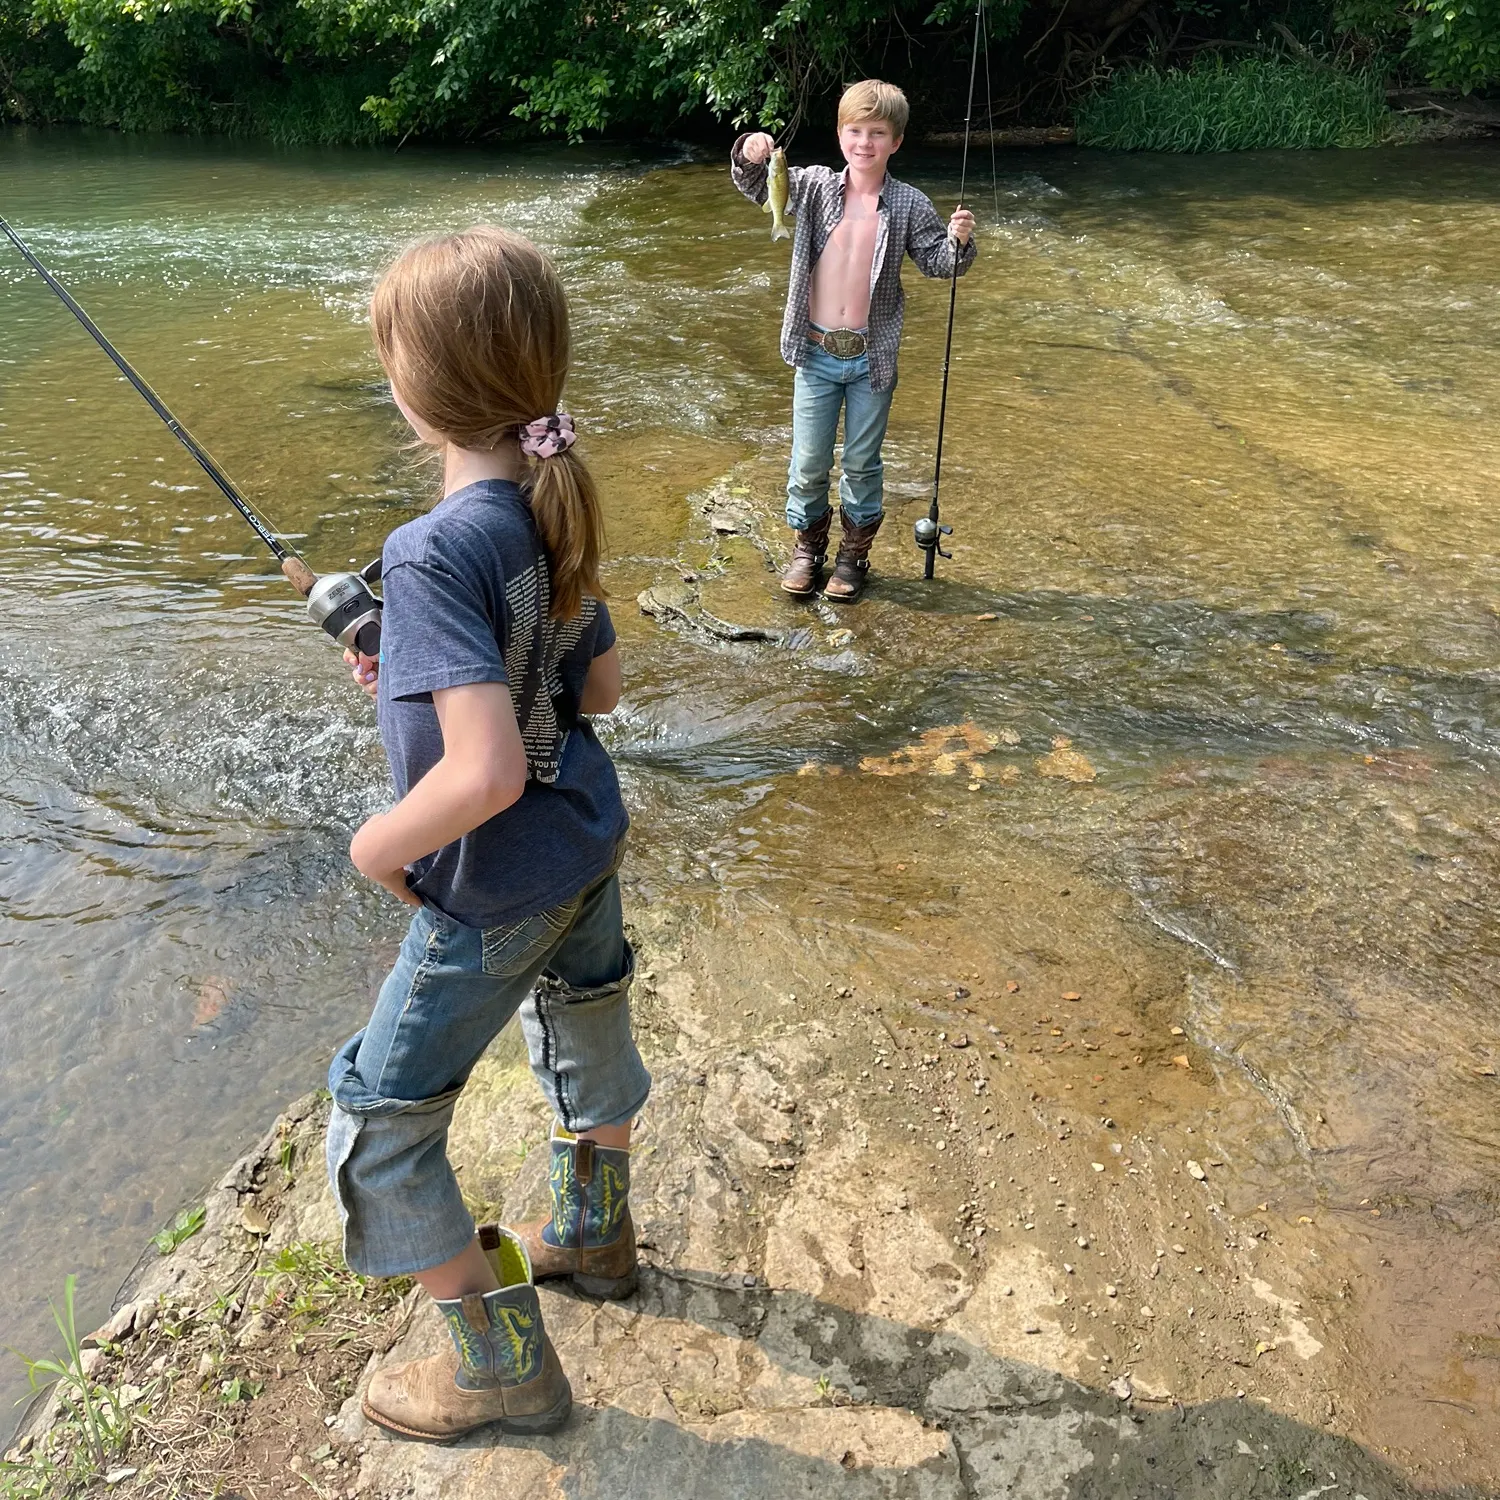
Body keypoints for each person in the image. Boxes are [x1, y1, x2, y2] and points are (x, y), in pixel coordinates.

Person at [324, 226, 649, 1444]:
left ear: (413, 391)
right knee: (585, 1017)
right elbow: (596, 687)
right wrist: (415, 664)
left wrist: (376, 846)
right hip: (585, 848)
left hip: (495, 886)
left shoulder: (427, 551)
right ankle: (594, 1238)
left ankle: (502, 1367)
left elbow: (487, 771)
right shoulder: (548, 502)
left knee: (379, 1121)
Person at [731, 79, 976, 602]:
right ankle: (808, 550)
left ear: (896, 141)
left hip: (872, 358)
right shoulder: (813, 185)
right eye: (856, 131)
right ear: (841, 134)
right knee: (808, 462)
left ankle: (853, 557)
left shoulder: (909, 204)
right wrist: (750, 152)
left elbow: (939, 264)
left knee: (863, 464)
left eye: (878, 133)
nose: (865, 142)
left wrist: (959, 242)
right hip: (814, 352)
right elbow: (755, 185)